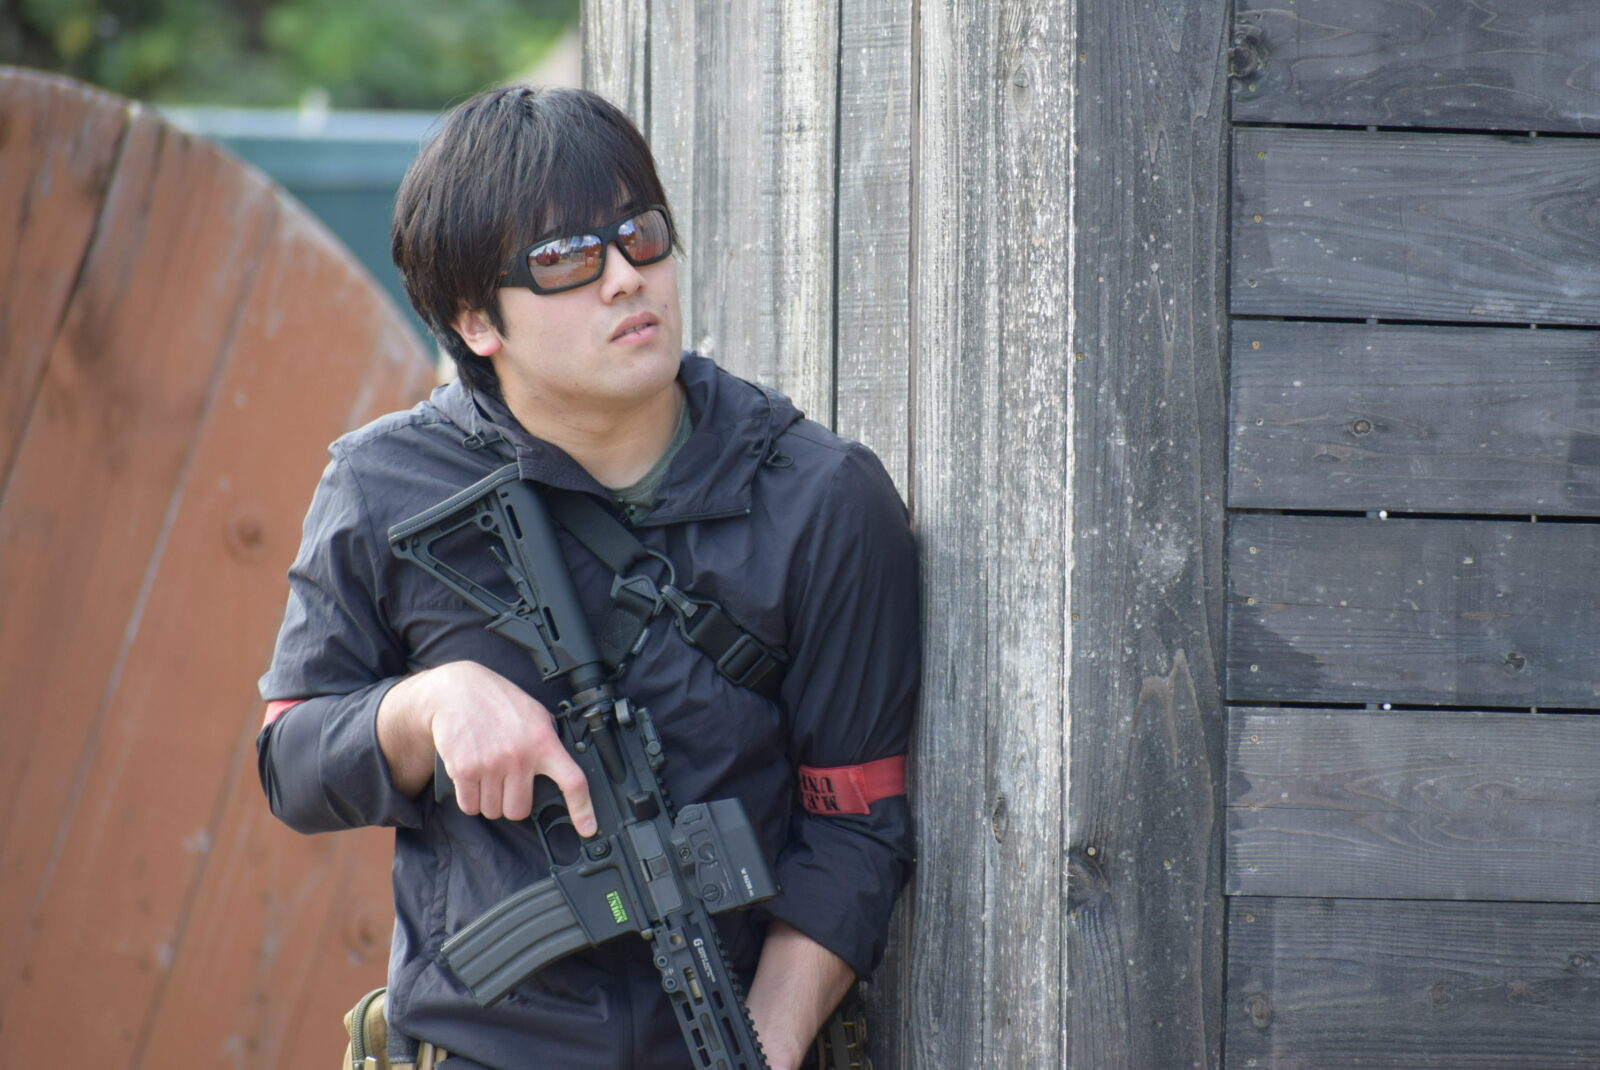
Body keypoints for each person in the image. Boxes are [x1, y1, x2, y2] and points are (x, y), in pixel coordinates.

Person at [257, 84, 918, 1070]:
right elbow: (291, 761)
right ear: (476, 319)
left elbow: (855, 825)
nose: (624, 278)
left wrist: (757, 1053)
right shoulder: (382, 485)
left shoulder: (821, 497)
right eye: (567, 258)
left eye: (640, 235)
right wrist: (427, 706)